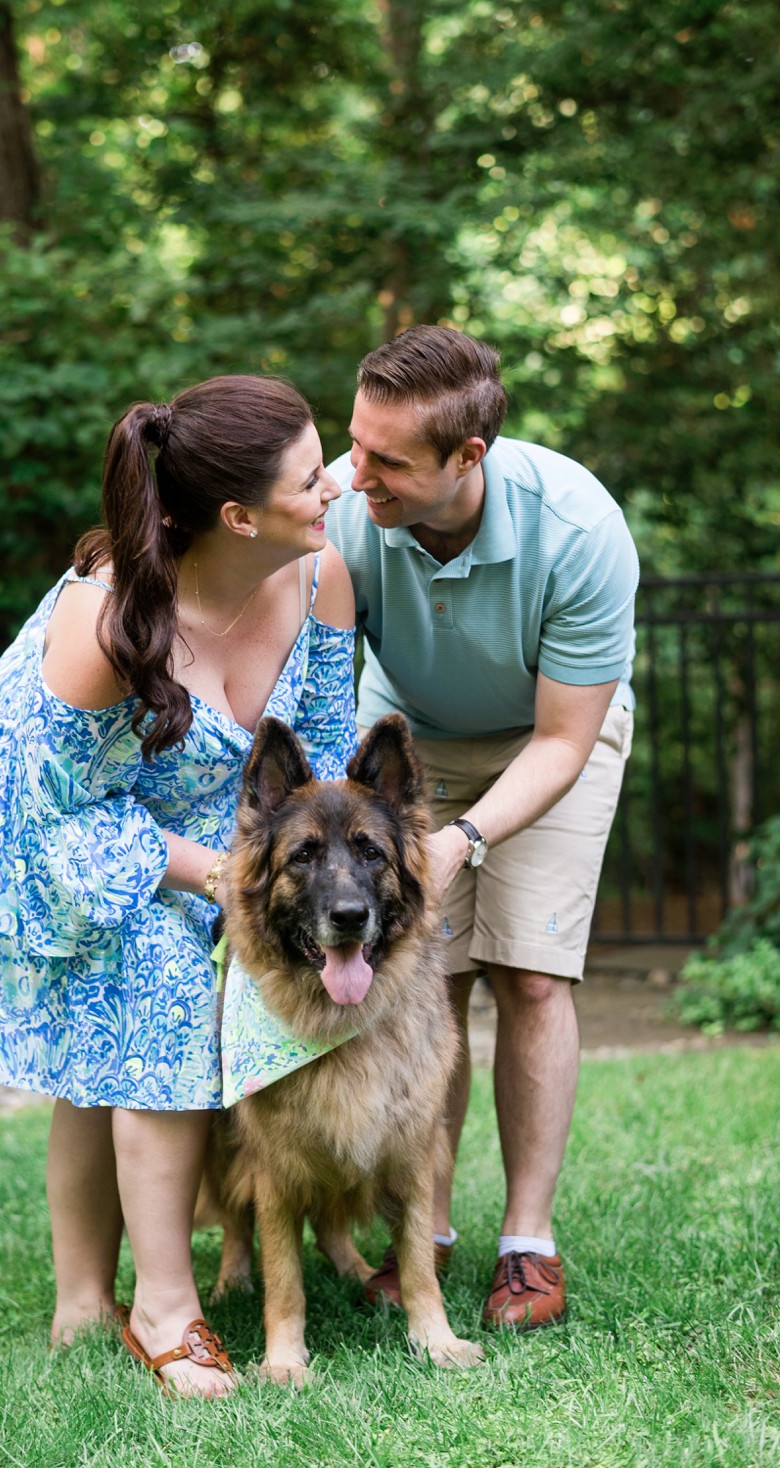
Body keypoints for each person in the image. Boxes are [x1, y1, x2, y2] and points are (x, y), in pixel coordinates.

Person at [0, 375, 357, 1397]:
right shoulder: (108, 622)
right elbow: (69, 809)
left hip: (183, 800)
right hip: (37, 800)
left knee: (103, 1034)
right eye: (306, 477)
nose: (331, 486)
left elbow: (320, 749)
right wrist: (223, 876)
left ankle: (80, 1302)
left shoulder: (316, 573)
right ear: (236, 515)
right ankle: (159, 1308)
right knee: (148, 980)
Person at [324, 325, 638, 1330]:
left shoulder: (577, 531)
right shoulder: (340, 509)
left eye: (387, 460)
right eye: (354, 444)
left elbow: (560, 741)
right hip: (410, 737)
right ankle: (425, 1230)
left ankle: (526, 1246)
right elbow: (316, 670)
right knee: (428, 979)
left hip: (546, 739)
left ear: (468, 457)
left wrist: (462, 841)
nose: (356, 474)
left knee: (531, 973)